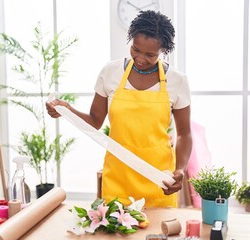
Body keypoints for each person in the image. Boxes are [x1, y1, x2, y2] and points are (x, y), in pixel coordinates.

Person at [46, 10, 192, 207]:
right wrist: (66, 110)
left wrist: (180, 169)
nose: (140, 58)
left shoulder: (177, 81)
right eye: (136, 49)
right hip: (118, 178)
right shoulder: (111, 72)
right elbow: (95, 121)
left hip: (158, 180)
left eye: (150, 54)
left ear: (163, 50)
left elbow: (184, 133)